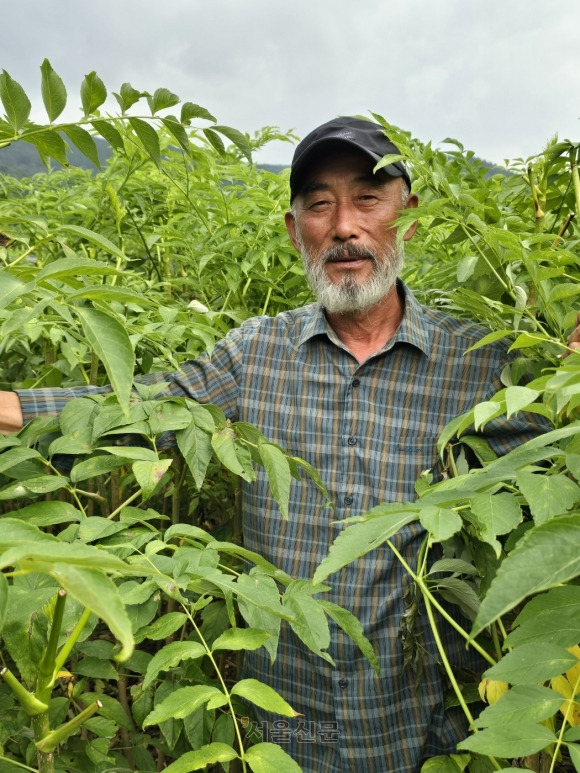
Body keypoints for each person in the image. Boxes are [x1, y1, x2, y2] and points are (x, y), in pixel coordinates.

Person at [0, 117, 578, 772]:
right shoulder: (256, 354)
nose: (344, 227)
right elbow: (149, 408)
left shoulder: (478, 364)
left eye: (367, 197)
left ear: (411, 216)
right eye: (319, 204)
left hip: (427, 732)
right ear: (293, 228)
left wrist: (571, 381)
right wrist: (13, 407)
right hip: (280, 729)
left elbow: (559, 450)